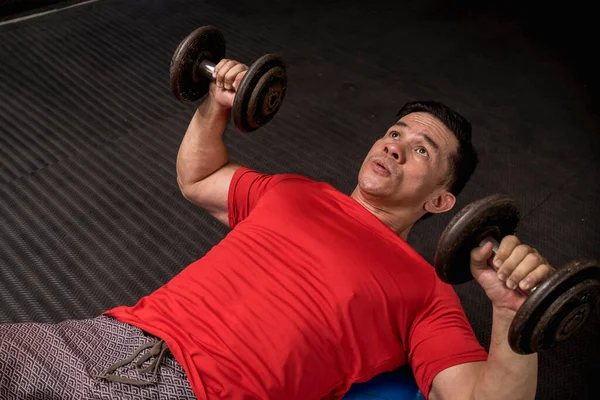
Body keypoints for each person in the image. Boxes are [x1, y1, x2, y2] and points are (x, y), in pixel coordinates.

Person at [0, 59, 553, 400]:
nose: (393, 146)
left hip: (200, 392)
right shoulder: (295, 190)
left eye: (420, 150)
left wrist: (510, 315)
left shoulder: (427, 291)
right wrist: (215, 106)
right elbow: (201, 178)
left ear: (440, 199)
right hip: (110, 339)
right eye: (394, 132)